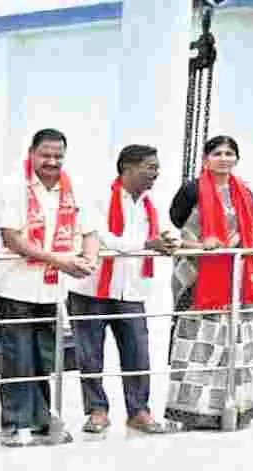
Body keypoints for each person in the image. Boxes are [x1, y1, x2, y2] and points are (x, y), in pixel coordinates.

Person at [0, 128, 97, 447]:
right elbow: (12, 239)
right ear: (31, 154)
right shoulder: (14, 187)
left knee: (44, 358)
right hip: (16, 287)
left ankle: (40, 421)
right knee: (17, 359)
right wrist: (59, 260)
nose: (51, 161)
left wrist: (89, 259)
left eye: (57, 156)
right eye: (45, 155)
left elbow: (91, 231)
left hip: (52, 290)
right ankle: (13, 424)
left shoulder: (73, 188)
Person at [69, 144, 180, 436]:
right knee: (90, 356)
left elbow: (159, 235)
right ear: (127, 168)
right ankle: (97, 410)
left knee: (138, 353)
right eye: (150, 167)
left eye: (157, 168)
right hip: (90, 289)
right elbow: (102, 239)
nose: (156, 173)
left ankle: (139, 411)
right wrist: (147, 244)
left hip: (131, 290)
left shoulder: (150, 204)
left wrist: (168, 242)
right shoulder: (98, 196)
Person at [166, 135, 253, 431]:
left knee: (235, 343)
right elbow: (177, 225)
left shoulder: (245, 192)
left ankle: (234, 407)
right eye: (217, 153)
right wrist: (202, 245)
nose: (224, 158)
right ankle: (189, 411)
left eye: (229, 153)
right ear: (206, 158)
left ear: (236, 158)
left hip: (237, 276)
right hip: (197, 275)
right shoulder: (191, 190)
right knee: (197, 342)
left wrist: (252, 245)